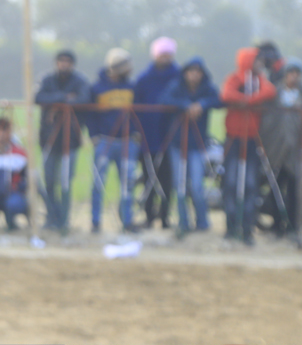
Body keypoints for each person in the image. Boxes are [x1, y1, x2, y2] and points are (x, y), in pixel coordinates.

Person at [258, 58, 302, 237]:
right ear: (285, 75)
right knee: (276, 188)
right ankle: (277, 224)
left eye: (297, 74)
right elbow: (266, 120)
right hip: (276, 150)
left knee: (295, 190)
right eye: (291, 73)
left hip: (296, 151)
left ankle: (294, 226)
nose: (294, 77)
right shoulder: (275, 93)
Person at [160, 57, 223, 236]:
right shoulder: (176, 86)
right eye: (191, 72)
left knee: (197, 186)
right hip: (177, 144)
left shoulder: (207, 88)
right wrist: (185, 106)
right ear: (185, 73)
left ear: (202, 74)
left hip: (197, 145)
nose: (194, 75)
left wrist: (202, 105)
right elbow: (164, 99)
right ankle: (183, 223)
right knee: (179, 186)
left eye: (198, 72)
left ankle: (202, 222)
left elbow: (219, 101)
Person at [221, 47, 276, 245]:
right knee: (230, 183)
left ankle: (247, 229)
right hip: (234, 138)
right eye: (257, 61)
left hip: (252, 139)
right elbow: (226, 95)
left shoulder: (260, 80)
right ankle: (230, 226)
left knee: (251, 185)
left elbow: (270, 91)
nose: (260, 64)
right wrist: (248, 101)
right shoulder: (235, 79)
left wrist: (248, 102)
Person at [34, 49, 89, 232]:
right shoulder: (47, 79)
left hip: (70, 140)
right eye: (61, 61)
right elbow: (38, 97)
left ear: (72, 64)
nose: (64, 64)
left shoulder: (80, 81)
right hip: (48, 139)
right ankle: (52, 216)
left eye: (68, 61)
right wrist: (64, 98)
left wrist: (57, 104)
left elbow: (84, 99)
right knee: (48, 181)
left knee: (66, 182)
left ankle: (64, 220)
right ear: (56, 63)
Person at [89, 47, 141, 233]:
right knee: (98, 183)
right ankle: (95, 221)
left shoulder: (132, 88)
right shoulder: (97, 88)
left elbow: (138, 113)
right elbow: (91, 115)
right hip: (104, 141)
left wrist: (136, 132)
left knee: (128, 184)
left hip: (128, 142)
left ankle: (127, 221)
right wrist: (94, 135)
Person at [133, 37, 179, 229]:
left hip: (171, 137)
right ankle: (149, 217)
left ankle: (165, 218)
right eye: (162, 54)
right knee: (148, 179)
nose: (165, 58)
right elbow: (135, 106)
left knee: (167, 180)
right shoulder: (144, 79)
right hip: (148, 136)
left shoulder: (178, 77)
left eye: (168, 54)